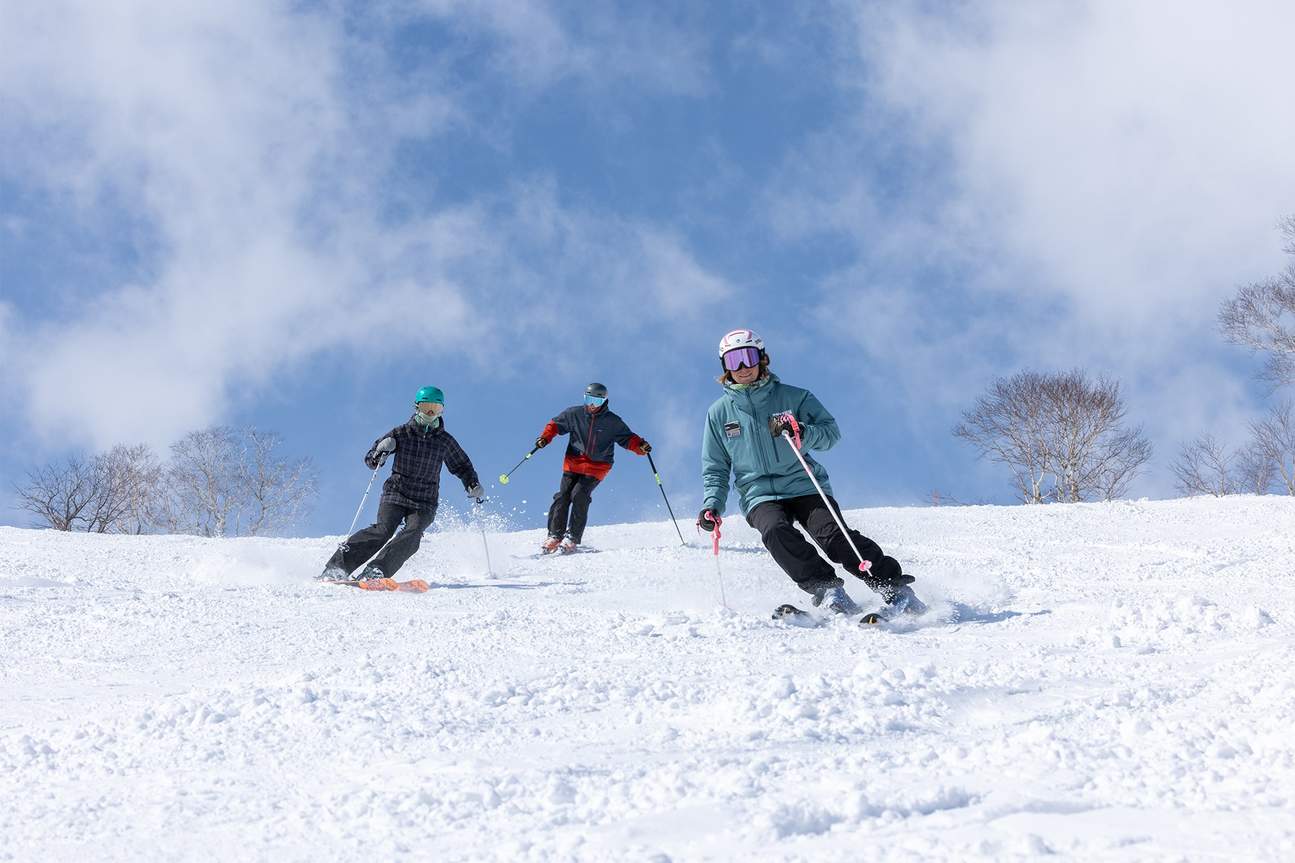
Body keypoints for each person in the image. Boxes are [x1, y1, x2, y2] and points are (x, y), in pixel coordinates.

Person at [697, 329, 924, 617]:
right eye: (734, 361)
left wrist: (801, 432)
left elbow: (831, 433)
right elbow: (715, 467)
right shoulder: (719, 414)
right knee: (775, 531)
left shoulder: (794, 397)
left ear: (762, 359)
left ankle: (892, 586)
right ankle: (828, 589)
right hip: (759, 493)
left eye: (748, 357)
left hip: (804, 484)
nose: (743, 368)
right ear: (725, 368)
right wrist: (711, 505)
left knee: (833, 537)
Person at [319, 385, 484, 582]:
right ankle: (337, 568)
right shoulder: (401, 433)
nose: (431, 412)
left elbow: (462, 465)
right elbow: (371, 460)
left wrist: (472, 484)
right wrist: (380, 452)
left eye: (436, 408)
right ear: (417, 407)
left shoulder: (445, 441)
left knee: (413, 534)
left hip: (425, 501)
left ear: (442, 410)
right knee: (383, 530)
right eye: (426, 407)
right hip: (396, 493)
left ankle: (376, 571)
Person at [534, 382, 651, 553]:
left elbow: (628, 439)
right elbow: (555, 425)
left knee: (579, 495)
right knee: (562, 496)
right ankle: (555, 535)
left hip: (597, 466)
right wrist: (545, 438)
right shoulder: (574, 414)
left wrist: (640, 446)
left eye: (596, 401)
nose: (591, 405)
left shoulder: (612, 422)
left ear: (604, 401)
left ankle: (572, 537)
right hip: (573, 463)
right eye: (588, 399)